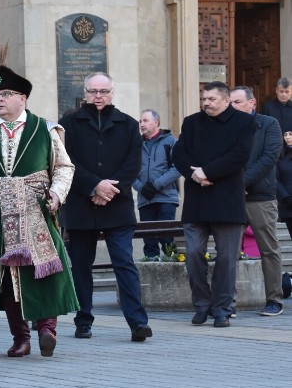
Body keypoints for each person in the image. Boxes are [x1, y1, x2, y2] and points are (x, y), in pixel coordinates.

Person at [0, 66, 78, 358]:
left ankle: (47, 330)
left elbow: (63, 167)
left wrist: (57, 196)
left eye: (6, 94)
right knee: (6, 279)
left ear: (23, 98)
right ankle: (20, 337)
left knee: (44, 270)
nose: (0, 99)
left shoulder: (45, 128)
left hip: (36, 210)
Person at [59, 72, 153, 342]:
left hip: (117, 205)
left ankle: (137, 322)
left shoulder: (128, 124)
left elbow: (133, 165)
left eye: (103, 91)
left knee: (124, 263)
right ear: (84, 93)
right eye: (93, 91)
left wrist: (108, 190)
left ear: (112, 92)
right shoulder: (69, 124)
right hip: (81, 206)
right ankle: (83, 320)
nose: (98, 96)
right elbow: (67, 162)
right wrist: (93, 186)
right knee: (81, 266)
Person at [172, 81, 256, 328]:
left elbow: (240, 155)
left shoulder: (245, 122)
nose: (206, 102)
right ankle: (201, 305)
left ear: (226, 100)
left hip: (227, 201)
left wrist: (208, 172)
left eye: (212, 99)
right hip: (197, 201)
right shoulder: (191, 122)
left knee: (227, 259)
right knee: (194, 254)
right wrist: (196, 175)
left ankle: (222, 309)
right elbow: (179, 154)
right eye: (204, 98)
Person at [230, 86, 283, 317]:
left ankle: (274, 299)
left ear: (251, 103)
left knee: (268, 249)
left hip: (260, 197)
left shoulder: (269, 124)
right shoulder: (225, 127)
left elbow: (270, 157)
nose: (232, 107)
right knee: (227, 250)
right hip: (230, 197)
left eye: (237, 102)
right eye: (230, 102)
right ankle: (226, 303)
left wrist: (240, 182)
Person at [132, 109, 181, 259]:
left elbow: (178, 168)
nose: (142, 124)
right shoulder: (136, 144)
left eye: (145, 121)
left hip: (166, 198)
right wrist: (140, 187)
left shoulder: (171, 142)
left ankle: (172, 267)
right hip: (145, 199)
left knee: (167, 238)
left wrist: (156, 185)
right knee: (149, 239)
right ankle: (150, 269)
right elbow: (129, 170)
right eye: (140, 121)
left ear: (156, 122)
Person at [275, 130, 292, 242]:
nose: (287, 137)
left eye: (290, 134)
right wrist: (286, 197)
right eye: (285, 135)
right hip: (288, 204)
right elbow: (276, 179)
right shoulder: (280, 157)